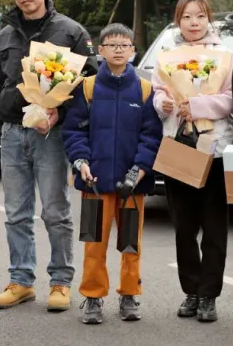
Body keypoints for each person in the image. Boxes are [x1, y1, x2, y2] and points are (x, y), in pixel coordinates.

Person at [0, 0, 99, 312]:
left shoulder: (71, 32)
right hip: (12, 133)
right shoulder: (3, 36)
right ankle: (21, 280)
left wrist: (59, 113)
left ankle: (61, 281)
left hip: (52, 134)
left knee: (55, 211)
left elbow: (90, 82)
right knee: (15, 213)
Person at [60, 24, 163, 324]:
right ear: (101, 51)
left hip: (132, 184)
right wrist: (81, 162)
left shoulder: (145, 90)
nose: (118, 49)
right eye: (112, 45)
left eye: (124, 45)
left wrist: (140, 169)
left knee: (131, 244)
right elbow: (74, 131)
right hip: (94, 182)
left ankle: (129, 294)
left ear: (133, 51)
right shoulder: (87, 88)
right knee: (94, 243)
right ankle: (92, 297)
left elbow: (151, 136)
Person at [152, 0, 233, 323]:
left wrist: (197, 105)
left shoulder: (225, 56)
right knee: (183, 226)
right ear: (178, 21)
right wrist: (163, 105)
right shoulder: (166, 56)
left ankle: (209, 295)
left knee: (214, 226)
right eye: (186, 16)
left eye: (200, 15)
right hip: (178, 145)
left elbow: (231, 99)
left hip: (214, 147)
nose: (194, 22)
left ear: (208, 18)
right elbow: (159, 92)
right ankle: (191, 290)